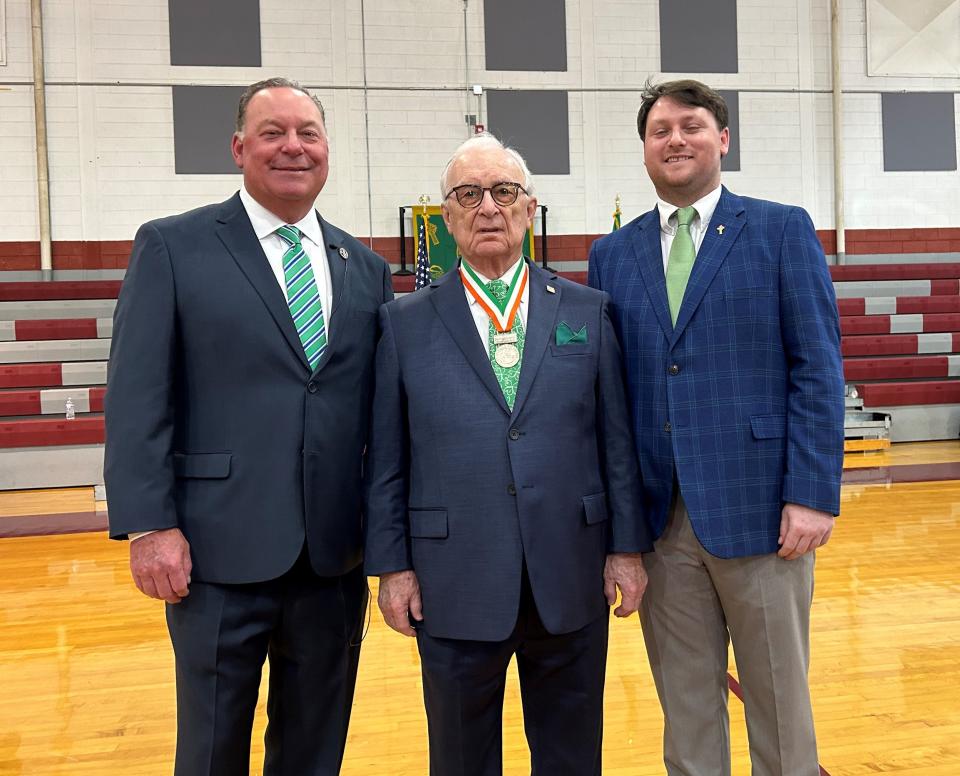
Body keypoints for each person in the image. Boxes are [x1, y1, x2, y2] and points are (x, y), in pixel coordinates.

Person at [104, 77, 392, 776]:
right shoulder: (174, 247)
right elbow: (138, 396)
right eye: (273, 133)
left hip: (332, 559)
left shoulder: (368, 267)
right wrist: (150, 526)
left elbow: (375, 420)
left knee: (314, 750)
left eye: (308, 134)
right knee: (210, 752)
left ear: (328, 151)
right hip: (214, 553)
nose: (293, 147)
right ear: (239, 148)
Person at [364, 133, 652, 776]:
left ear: (530, 208)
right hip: (451, 579)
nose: (487, 207)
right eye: (469, 194)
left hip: (570, 570)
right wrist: (393, 567)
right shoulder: (403, 322)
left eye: (503, 192)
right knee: (462, 759)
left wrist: (627, 550)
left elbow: (616, 442)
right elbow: (387, 458)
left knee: (573, 754)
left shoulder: (587, 308)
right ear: (446, 218)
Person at [588, 79, 845, 776]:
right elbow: (611, 394)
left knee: (779, 706)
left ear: (722, 139)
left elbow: (818, 368)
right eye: (660, 129)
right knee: (688, 709)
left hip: (763, 514)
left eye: (691, 125)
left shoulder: (780, 228)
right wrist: (620, 530)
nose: (675, 139)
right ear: (643, 148)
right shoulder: (612, 254)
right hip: (660, 525)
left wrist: (814, 492)